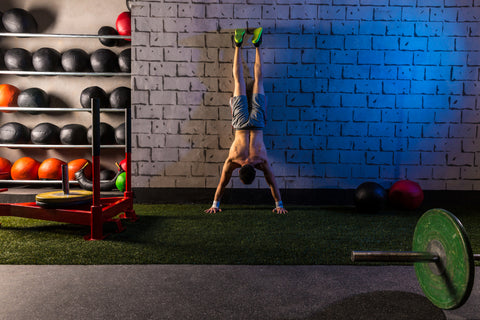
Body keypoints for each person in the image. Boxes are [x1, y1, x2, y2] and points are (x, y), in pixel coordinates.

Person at [205, 27, 287, 215]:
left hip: (257, 124)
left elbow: (272, 183)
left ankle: (257, 44)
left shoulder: (261, 161)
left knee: (258, 79)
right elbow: (223, 183)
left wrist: (279, 205)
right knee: (239, 81)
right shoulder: (234, 160)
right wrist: (215, 204)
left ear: (252, 170)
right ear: (241, 170)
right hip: (240, 124)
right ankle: (238, 44)